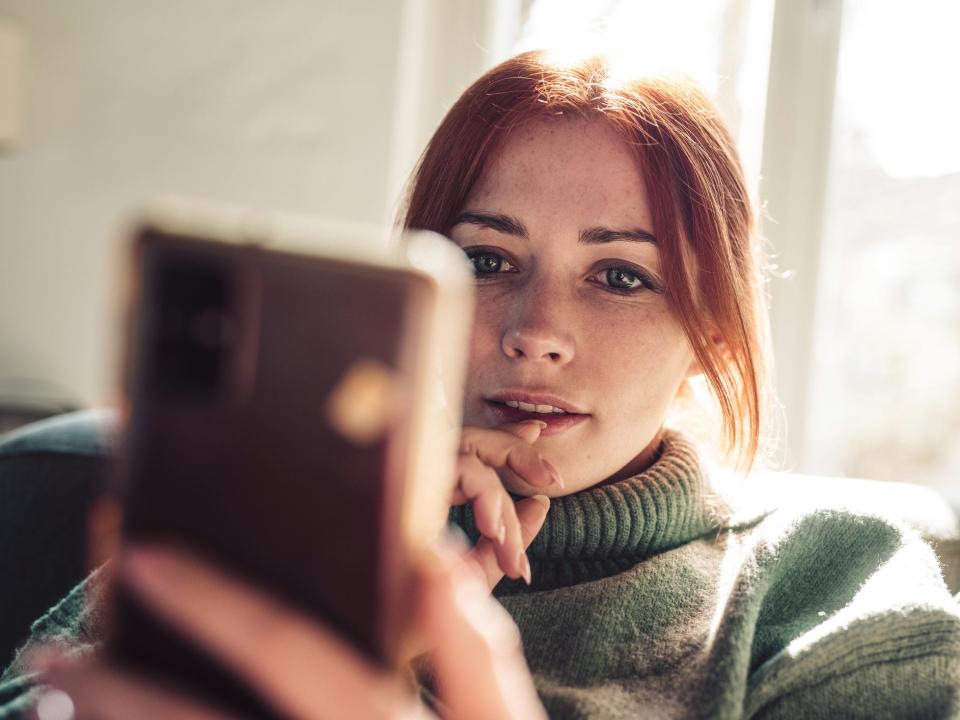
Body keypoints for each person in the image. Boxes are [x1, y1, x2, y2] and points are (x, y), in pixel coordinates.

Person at [2, 49, 959, 719]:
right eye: (489, 261)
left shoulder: (837, 577)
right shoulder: (278, 519)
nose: (538, 332)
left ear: (711, 330)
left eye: (621, 276)